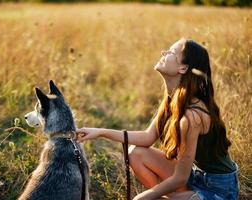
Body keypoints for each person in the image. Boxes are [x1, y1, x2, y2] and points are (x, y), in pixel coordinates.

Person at [76, 38, 239, 200]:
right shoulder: (173, 99)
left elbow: (180, 178)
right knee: (136, 152)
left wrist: (147, 196)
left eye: (171, 52)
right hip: (194, 175)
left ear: (183, 68)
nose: (164, 52)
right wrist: (99, 132)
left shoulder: (192, 117)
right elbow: (147, 137)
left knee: (151, 196)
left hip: (219, 190)